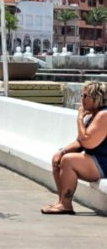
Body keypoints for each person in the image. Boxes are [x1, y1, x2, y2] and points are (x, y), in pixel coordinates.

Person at [41, 82, 107, 215]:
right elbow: (79, 142)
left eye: (84, 96)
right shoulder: (94, 116)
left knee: (69, 161)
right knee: (59, 159)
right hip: (96, 160)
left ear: (96, 98)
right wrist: (62, 151)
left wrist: (80, 118)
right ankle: (61, 201)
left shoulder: (103, 115)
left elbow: (87, 142)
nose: (81, 99)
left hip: (103, 162)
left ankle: (66, 205)